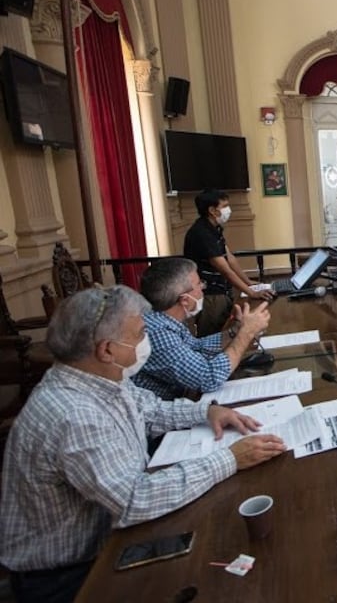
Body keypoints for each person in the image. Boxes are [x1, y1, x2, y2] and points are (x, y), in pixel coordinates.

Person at [0, 286, 286, 602]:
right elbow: (133, 501)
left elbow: (150, 410)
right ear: (106, 349)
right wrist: (230, 459)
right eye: (139, 334)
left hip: (106, 537)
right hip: (67, 575)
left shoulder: (97, 376)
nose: (146, 341)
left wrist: (206, 411)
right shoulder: (72, 414)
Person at [134, 258, 271, 400]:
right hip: (165, 413)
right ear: (185, 300)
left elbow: (196, 347)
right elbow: (209, 378)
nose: (203, 288)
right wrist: (245, 333)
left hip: (183, 397)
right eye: (199, 284)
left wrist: (235, 331)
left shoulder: (165, 318)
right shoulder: (157, 331)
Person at [184, 189, 273, 337]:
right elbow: (225, 269)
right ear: (212, 210)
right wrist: (252, 292)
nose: (228, 210)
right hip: (211, 296)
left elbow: (229, 257)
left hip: (222, 291)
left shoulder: (214, 228)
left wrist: (249, 282)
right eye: (224, 206)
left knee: (225, 330)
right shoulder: (201, 233)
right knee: (212, 336)